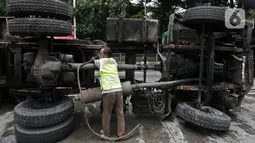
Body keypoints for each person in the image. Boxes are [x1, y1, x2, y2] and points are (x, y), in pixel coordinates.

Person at [93, 47, 125, 137]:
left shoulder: (101, 62)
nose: (99, 55)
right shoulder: (114, 61)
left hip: (109, 90)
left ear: (105, 54)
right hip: (118, 89)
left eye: (100, 53)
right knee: (120, 112)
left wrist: (93, 59)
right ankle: (121, 133)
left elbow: (95, 61)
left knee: (107, 113)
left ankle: (106, 134)